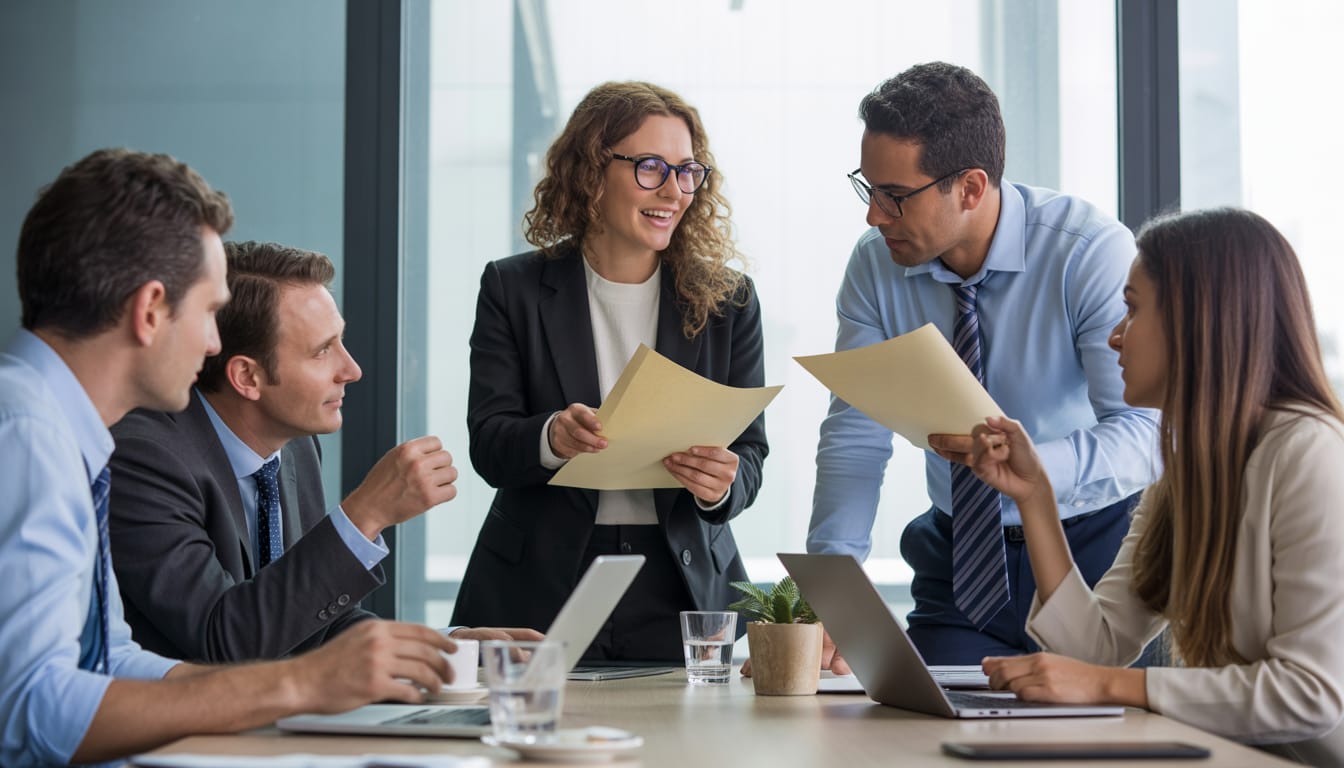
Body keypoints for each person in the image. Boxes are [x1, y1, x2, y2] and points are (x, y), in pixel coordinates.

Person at [0, 148, 454, 767]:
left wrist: (402, 657)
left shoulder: (64, 431)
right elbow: (32, 710)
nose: (215, 343)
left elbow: (111, 661)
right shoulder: (25, 434)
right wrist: (296, 686)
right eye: (211, 312)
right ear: (151, 309)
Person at [957, 208, 1344, 765]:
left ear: (1198, 320)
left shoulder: (1309, 454)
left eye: (1132, 310)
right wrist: (1035, 497)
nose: (1115, 336)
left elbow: (1310, 695)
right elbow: (1095, 646)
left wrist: (1110, 687)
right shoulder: (1190, 465)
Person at [807, 62, 1160, 667]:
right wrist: (830, 592)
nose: (874, 216)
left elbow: (1147, 432)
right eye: (868, 189)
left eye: (894, 197)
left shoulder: (1088, 253)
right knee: (932, 739)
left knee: (1097, 753)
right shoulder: (875, 265)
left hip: (1096, 550)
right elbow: (856, 435)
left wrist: (1027, 472)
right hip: (959, 559)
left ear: (970, 188)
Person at [451, 81, 768, 661]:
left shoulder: (730, 300)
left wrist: (720, 483)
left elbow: (749, 454)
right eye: (651, 167)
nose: (674, 190)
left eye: (687, 171)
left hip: (682, 584)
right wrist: (551, 437)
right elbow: (488, 443)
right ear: (591, 172)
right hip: (541, 583)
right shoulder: (512, 288)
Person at [108, 240, 538, 663]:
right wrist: (365, 514)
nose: (351, 370)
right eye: (322, 351)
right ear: (247, 377)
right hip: (183, 730)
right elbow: (226, 639)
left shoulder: (294, 446)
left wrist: (443, 648)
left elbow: (306, 622)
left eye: (341, 341)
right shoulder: (144, 458)